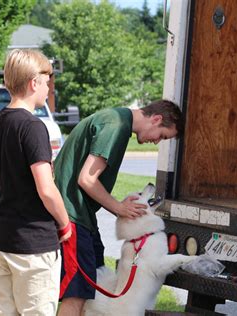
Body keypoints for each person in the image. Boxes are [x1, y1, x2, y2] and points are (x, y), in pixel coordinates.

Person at [54, 100, 184, 316]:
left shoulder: (116, 121)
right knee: (75, 293)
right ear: (156, 119)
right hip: (72, 216)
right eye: (162, 136)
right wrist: (119, 208)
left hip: (82, 216)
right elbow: (86, 179)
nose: (157, 142)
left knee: (90, 291)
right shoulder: (115, 126)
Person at [0, 49, 71, 316]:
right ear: (34, 82)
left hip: (2, 237)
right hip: (33, 244)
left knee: (4, 312)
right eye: (47, 82)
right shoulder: (33, 127)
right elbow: (46, 189)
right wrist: (65, 224)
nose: (48, 88)